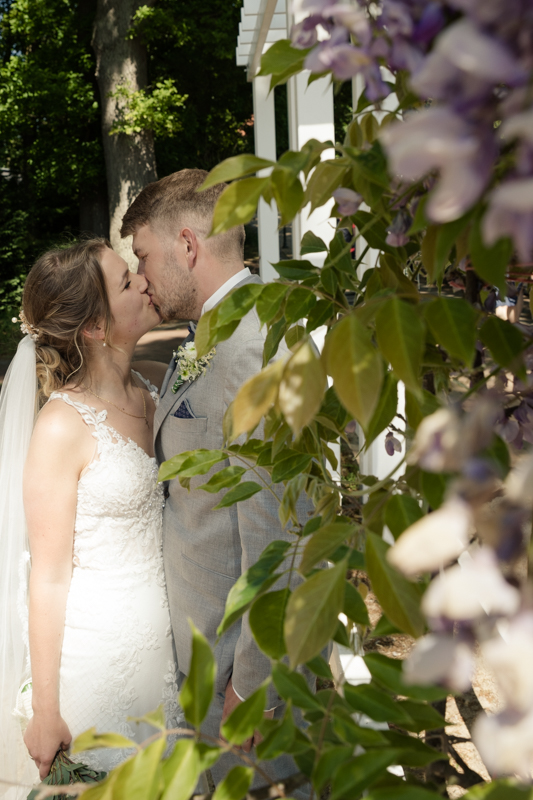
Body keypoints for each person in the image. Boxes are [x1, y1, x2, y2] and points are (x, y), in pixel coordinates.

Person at [121, 169, 313, 791]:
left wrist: (252, 689)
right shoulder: (212, 331)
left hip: (242, 689)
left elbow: (283, 539)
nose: (142, 277)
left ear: (187, 245)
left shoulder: (255, 347)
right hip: (203, 660)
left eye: (144, 256)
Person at [0, 239, 181, 799]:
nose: (145, 282)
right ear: (96, 328)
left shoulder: (155, 388)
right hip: (99, 667)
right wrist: (47, 710)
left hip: (166, 655)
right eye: (127, 281)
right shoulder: (61, 427)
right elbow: (48, 576)